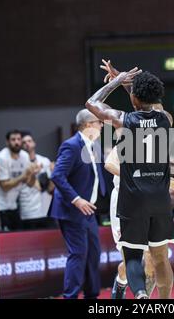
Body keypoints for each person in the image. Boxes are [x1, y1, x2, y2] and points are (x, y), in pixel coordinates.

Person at [86, 66, 174, 299]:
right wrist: (130, 85)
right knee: (160, 258)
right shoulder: (166, 119)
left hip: (133, 199)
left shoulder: (123, 120)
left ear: (134, 98)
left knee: (133, 256)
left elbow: (92, 103)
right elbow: (145, 101)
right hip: (159, 199)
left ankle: (140, 295)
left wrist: (117, 81)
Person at [49, 109, 107, 299]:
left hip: (89, 210)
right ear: (88, 124)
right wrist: (76, 199)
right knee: (79, 254)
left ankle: (92, 296)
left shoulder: (94, 146)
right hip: (71, 209)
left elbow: (99, 175)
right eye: (99, 122)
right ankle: (71, 296)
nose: (102, 125)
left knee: (93, 256)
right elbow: (57, 175)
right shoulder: (71, 145)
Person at [0, 130, 39, 231]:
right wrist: (23, 176)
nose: (16, 142)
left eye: (19, 139)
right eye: (13, 139)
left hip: (14, 205)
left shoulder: (24, 156)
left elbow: (29, 184)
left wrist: (33, 174)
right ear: (7, 142)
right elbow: (5, 186)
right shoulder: (2, 157)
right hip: (0, 206)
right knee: (4, 241)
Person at [20, 132, 56, 230]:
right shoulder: (20, 164)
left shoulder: (44, 161)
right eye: (24, 142)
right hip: (28, 212)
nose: (27, 144)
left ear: (34, 143)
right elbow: (35, 186)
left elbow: (50, 188)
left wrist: (54, 173)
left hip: (46, 210)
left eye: (29, 141)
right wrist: (32, 173)